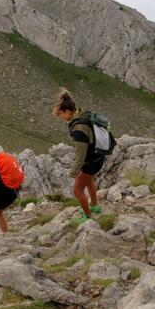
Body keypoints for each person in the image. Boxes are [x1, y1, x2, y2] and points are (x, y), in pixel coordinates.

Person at [52, 88, 111, 223]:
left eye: (61, 114)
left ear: (67, 112)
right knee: (89, 180)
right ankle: (95, 206)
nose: (61, 117)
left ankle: (88, 217)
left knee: (77, 190)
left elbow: (80, 156)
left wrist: (73, 173)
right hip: (98, 156)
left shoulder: (79, 129)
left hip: (90, 161)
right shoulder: (82, 114)